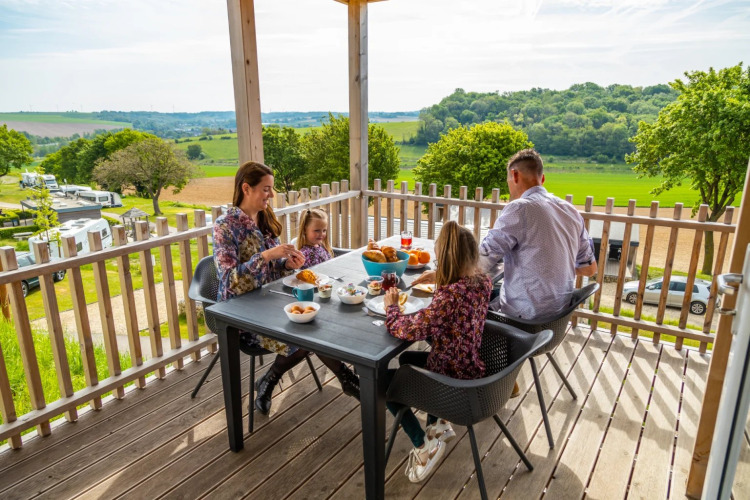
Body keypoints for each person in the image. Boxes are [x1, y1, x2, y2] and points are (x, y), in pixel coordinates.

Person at [213, 161, 359, 416]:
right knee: (308, 332)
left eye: (272, 188)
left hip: (272, 301)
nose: (271, 194)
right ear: (246, 188)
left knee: (315, 323)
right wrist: (268, 256)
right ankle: (346, 379)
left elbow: (272, 270)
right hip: (241, 314)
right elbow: (229, 281)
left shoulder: (266, 220)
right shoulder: (226, 226)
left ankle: (271, 379)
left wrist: (286, 263)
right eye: (265, 189)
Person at [383, 221, 492, 483]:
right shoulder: (483, 283)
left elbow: (410, 329)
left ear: (444, 258)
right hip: (471, 368)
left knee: (384, 385)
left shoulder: (450, 296)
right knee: (408, 358)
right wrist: (440, 277)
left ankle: (423, 444)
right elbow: (454, 300)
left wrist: (392, 307)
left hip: (450, 382)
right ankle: (437, 424)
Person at [477, 148, 597, 319]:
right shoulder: (572, 212)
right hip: (556, 317)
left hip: (522, 320)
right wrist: (552, 266)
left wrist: (444, 272)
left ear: (515, 175)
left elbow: (482, 261)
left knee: (462, 311)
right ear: (542, 178)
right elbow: (589, 268)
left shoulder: (519, 208)